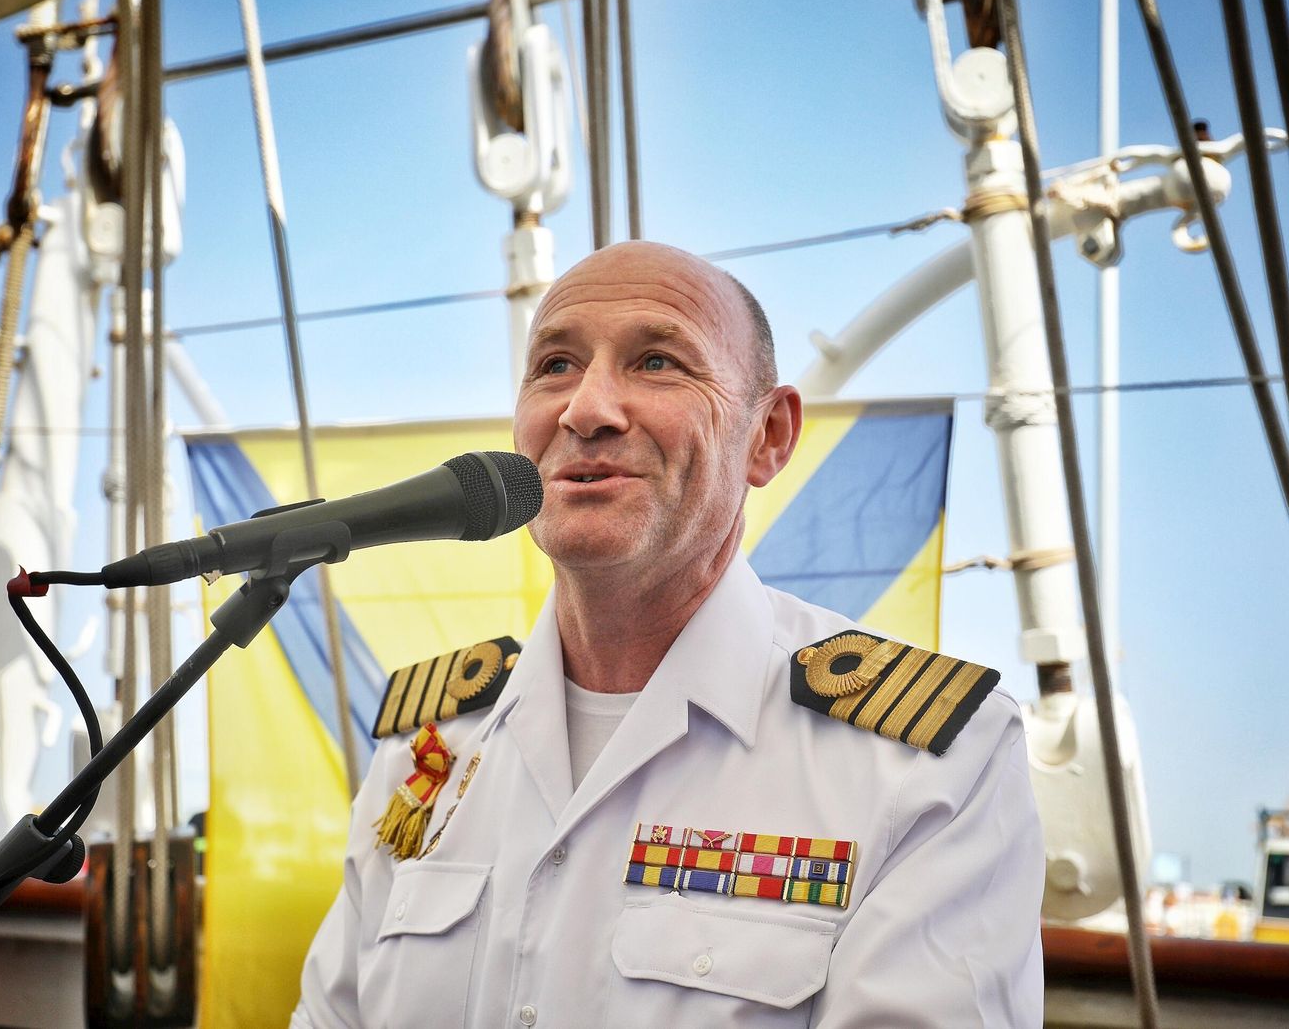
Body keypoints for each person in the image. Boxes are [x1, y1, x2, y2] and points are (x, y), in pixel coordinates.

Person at [291, 241, 1044, 1027]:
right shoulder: (431, 741)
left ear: (769, 437)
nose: (586, 409)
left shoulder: (926, 768)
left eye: (657, 362)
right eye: (555, 365)